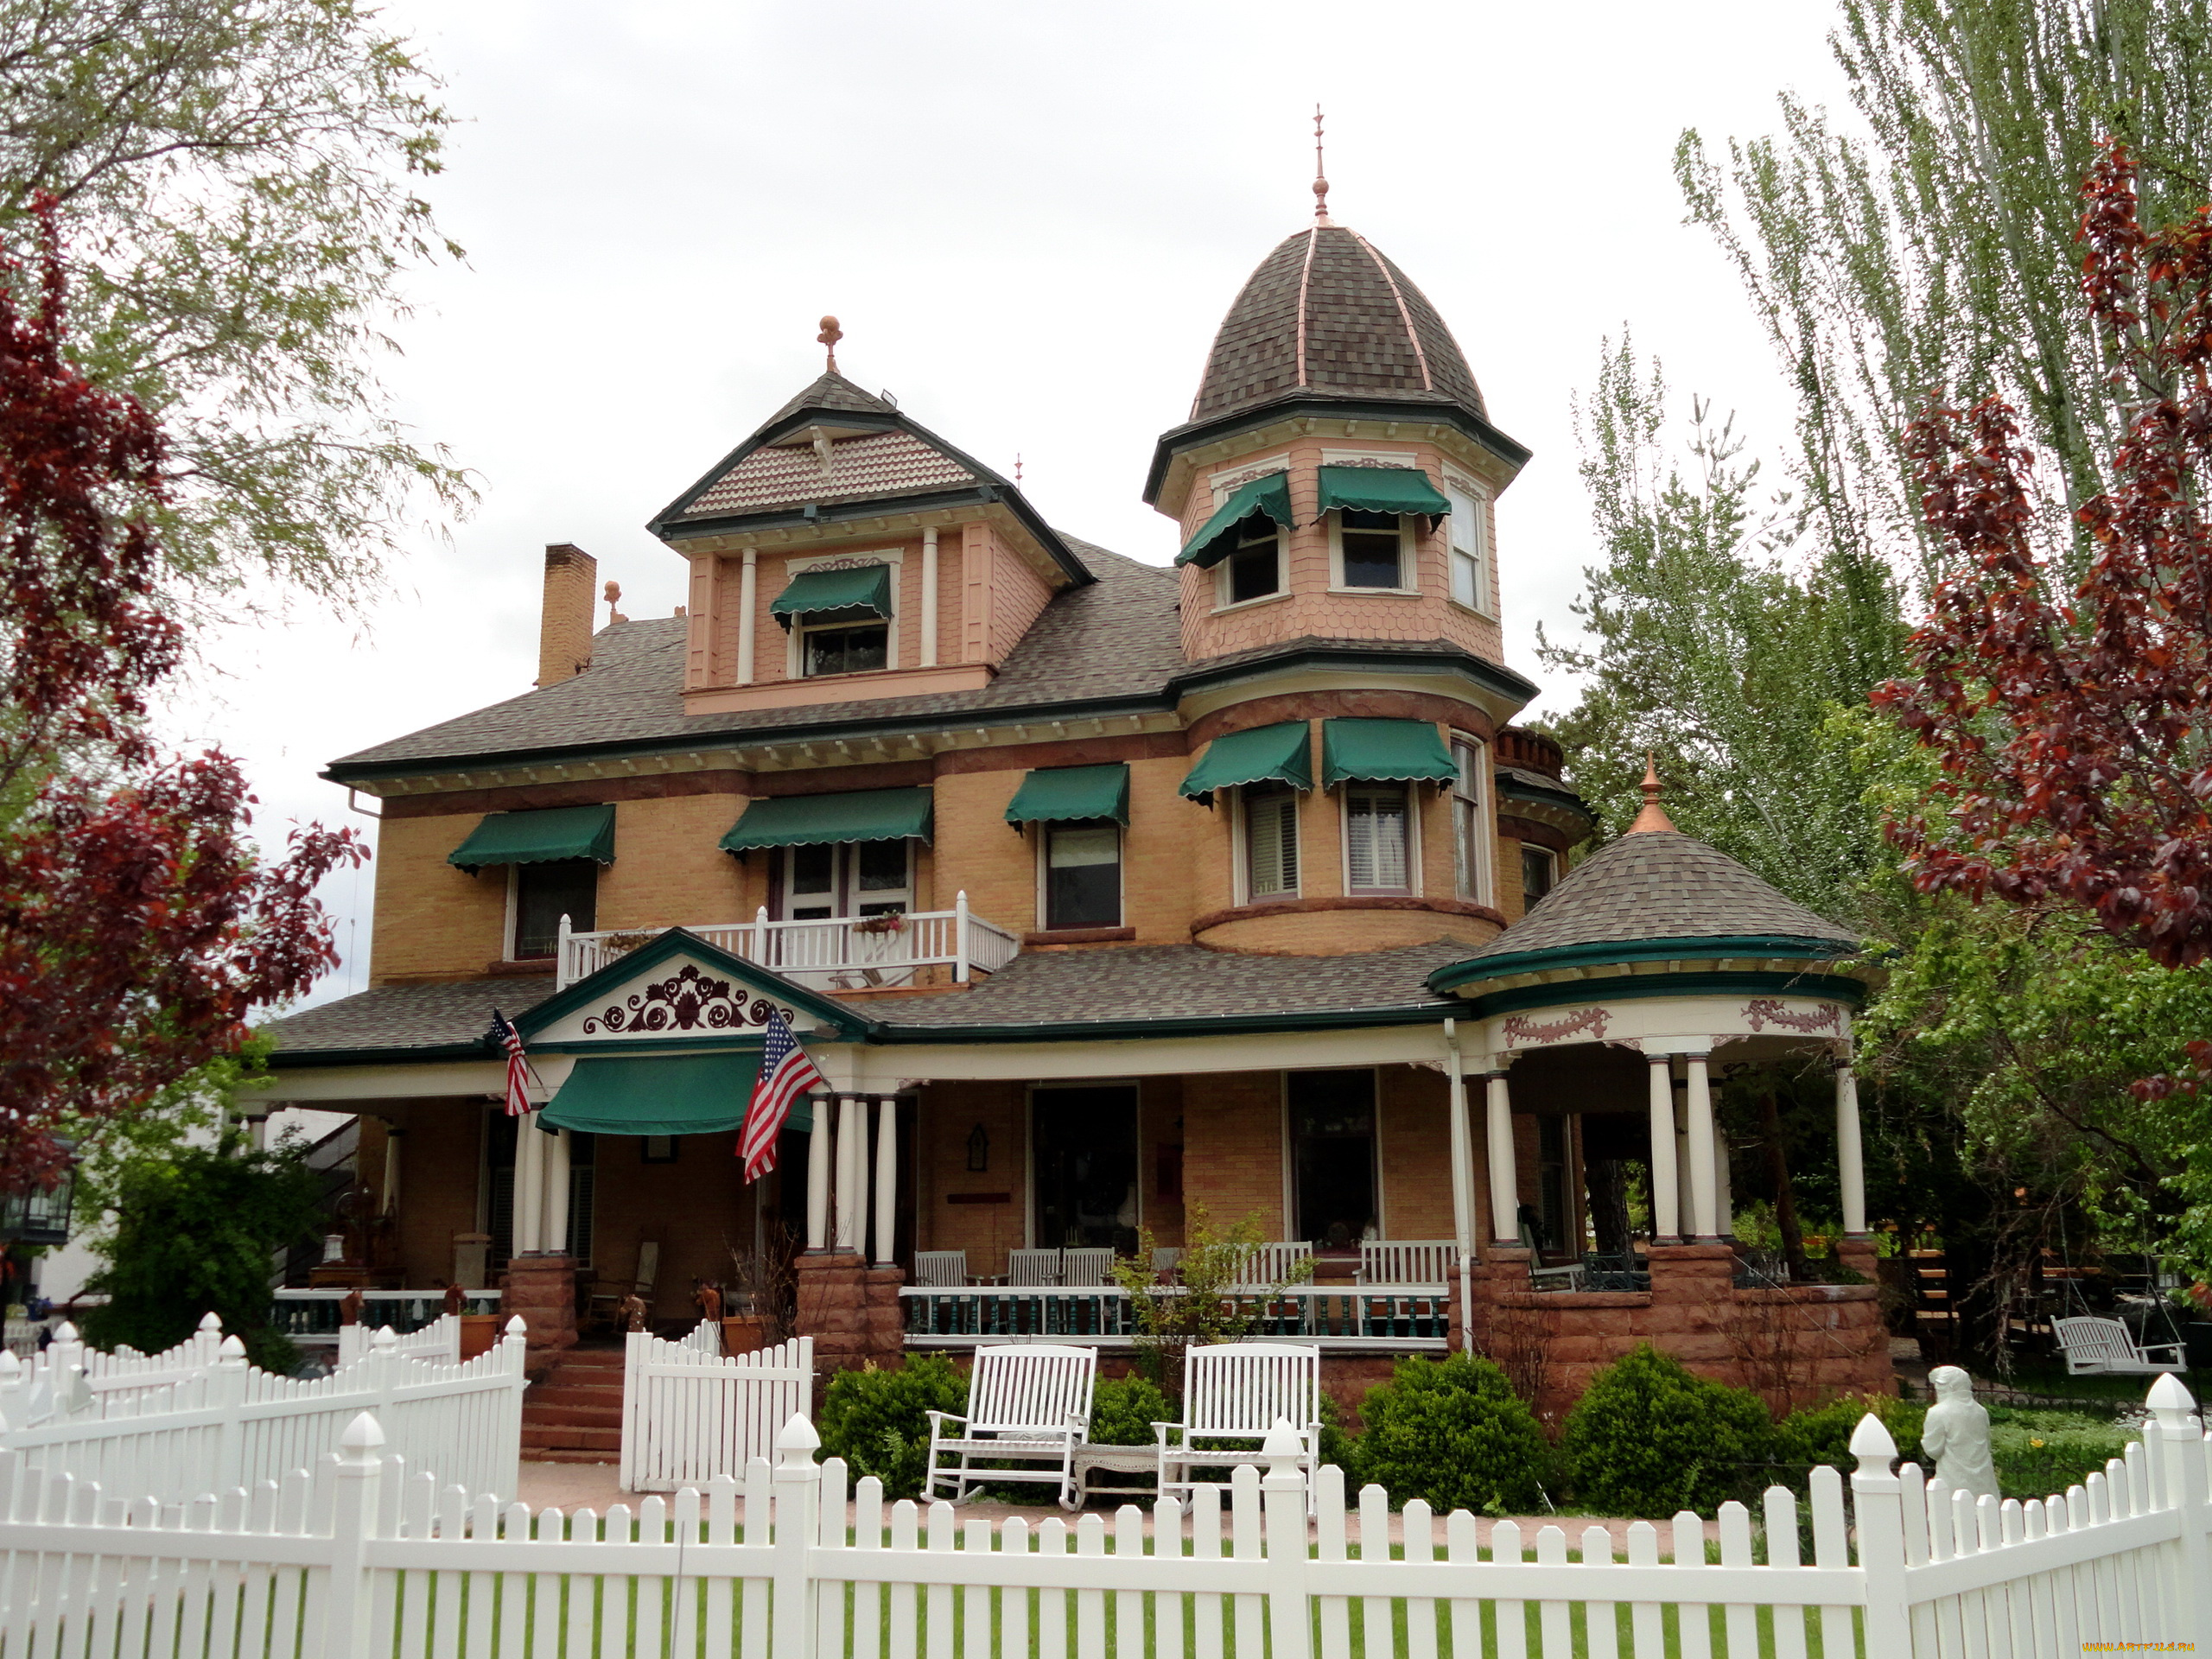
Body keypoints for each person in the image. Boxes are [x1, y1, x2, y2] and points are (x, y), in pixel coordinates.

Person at [1921, 1364, 2000, 1499]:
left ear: (1944, 1387)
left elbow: (1933, 1450)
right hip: (1984, 1482)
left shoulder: (1938, 1412)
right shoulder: (1980, 1411)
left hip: (1952, 1479)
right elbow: (1987, 1443)